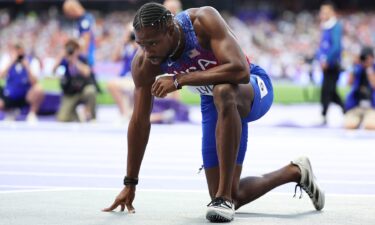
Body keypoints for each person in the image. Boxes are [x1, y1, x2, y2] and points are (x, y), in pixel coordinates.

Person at [103, 3, 325, 223]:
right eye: (141, 44)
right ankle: (295, 172)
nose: (147, 51)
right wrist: (130, 183)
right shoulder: (145, 62)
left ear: (170, 30)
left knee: (224, 90)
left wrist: (180, 79)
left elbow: (240, 70)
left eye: (152, 43)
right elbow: (140, 122)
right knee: (227, 191)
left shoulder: (202, 21)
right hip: (214, 102)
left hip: (250, 89)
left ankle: (224, 199)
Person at [54, 39, 97, 122]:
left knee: (91, 91)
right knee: (62, 118)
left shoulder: (82, 59)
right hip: (70, 94)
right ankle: (77, 115)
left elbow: (86, 72)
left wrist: (74, 61)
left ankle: (92, 117)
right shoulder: (64, 61)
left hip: (82, 91)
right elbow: (53, 70)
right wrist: (61, 56)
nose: (71, 50)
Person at [63, 0, 101, 93]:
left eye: (68, 13)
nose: (69, 16)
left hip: (86, 52)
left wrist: (82, 53)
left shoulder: (84, 19)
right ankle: (95, 89)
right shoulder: (84, 18)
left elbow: (85, 38)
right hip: (87, 52)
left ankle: (95, 90)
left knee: (87, 73)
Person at [0, 43, 44, 122]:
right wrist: (11, 62)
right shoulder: (7, 60)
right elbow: (1, 76)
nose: (18, 54)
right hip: (10, 93)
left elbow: (35, 82)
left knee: (38, 89)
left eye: (19, 51)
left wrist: (27, 67)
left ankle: (32, 114)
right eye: (16, 50)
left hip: (25, 94)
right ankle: (10, 112)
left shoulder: (31, 61)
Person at [317, 1, 345, 124]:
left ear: (332, 13)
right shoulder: (325, 26)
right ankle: (326, 114)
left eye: (325, 12)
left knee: (329, 91)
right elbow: (321, 47)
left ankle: (345, 110)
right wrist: (320, 59)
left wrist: (326, 60)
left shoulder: (335, 26)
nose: (322, 14)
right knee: (328, 90)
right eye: (322, 11)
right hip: (326, 64)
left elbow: (337, 46)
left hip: (333, 65)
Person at [107, 30, 138, 121]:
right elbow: (114, 59)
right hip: (125, 78)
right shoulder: (126, 47)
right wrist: (122, 42)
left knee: (112, 84)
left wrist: (138, 43)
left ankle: (125, 114)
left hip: (135, 79)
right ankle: (126, 114)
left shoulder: (141, 46)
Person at [344, 47, 375, 130]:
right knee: (349, 125)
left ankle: (365, 120)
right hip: (356, 106)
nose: (365, 61)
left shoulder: (373, 68)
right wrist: (353, 66)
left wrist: (369, 68)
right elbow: (349, 83)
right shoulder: (357, 68)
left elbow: (373, 85)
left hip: (371, 107)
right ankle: (359, 120)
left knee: (370, 126)